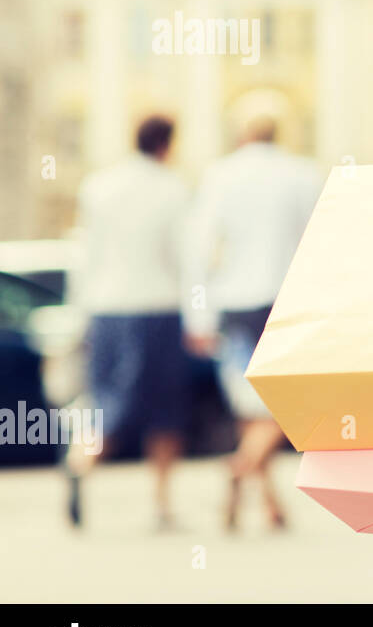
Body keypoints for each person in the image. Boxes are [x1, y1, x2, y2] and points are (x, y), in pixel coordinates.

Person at [184, 111, 321, 531]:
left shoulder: (219, 175)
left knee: (250, 404)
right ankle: (242, 467)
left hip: (234, 303)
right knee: (288, 404)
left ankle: (266, 502)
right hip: (285, 300)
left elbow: (200, 248)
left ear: (241, 133)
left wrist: (198, 317)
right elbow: (318, 240)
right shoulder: (302, 173)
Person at [69, 115, 189, 529]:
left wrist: (79, 313)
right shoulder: (172, 188)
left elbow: (84, 255)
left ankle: (80, 460)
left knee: (106, 401)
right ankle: (160, 502)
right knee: (164, 411)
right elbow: (182, 257)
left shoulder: (98, 186)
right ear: (167, 144)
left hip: (105, 309)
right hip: (158, 307)